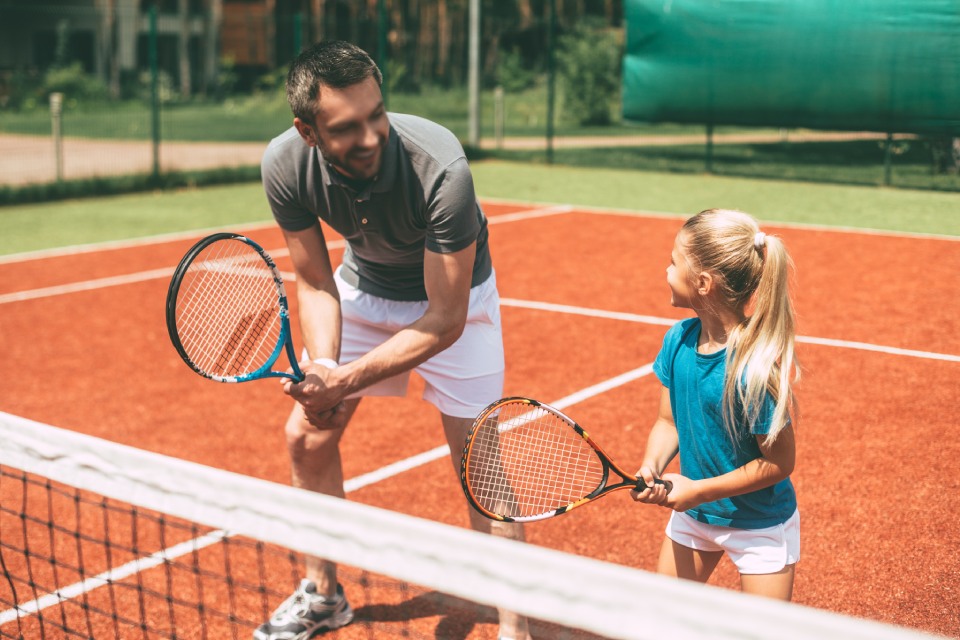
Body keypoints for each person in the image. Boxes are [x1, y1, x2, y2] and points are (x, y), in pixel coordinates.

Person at [253, 40, 529, 640]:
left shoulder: (441, 166)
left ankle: (514, 628)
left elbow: (444, 319)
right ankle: (324, 595)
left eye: (377, 114)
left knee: (479, 464)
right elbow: (314, 280)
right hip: (365, 289)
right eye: (348, 127)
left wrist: (346, 380)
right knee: (306, 438)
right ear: (308, 131)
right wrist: (325, 362)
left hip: (457, 304)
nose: (372, 136)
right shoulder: (283, 164)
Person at [631, 208, 800, 601]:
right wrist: (652, 467)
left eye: (673, 263)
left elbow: (779, 462)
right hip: (695, 514)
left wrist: (698, 491)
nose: (665, 270)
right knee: (661, 620)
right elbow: (667, 423)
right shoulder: (678, 339)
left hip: (760, 524)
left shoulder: (752, 371)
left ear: (703, 283)